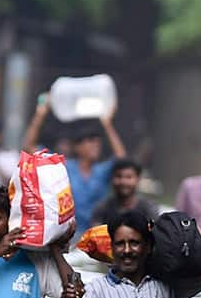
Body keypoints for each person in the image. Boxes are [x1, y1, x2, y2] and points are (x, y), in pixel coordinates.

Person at [64, 210, 201, 298]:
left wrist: (182, 232)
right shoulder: (97, 290)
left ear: (148, 246)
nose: (127, 250)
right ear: (112, 249)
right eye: (120, 244)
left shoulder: (169, 286)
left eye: (134, 243)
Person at [24, 96, 127, 233]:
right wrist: (40, 114)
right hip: (67, 235)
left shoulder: (101, 171)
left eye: (97, 141)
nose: (96, 144)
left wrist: (107, 125)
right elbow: (30, 148)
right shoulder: (63, 166)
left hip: (96, 234)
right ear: (78, 147)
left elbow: (122, 159)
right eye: (90, 140)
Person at [89, 158, 159, 227]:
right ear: (111, 179)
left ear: (138, 179)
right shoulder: (102, 209)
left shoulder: (149, 209)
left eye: (128, 177)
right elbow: (95, 233)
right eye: (118, 176)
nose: (123, 181)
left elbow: (155, 233)